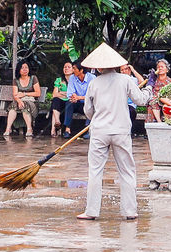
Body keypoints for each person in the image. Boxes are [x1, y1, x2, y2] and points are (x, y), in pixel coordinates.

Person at [76, 43, 153, 221]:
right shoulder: (125, 80)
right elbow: (141, 100)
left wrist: (98, 115)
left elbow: (88, 111)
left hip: (99, 130)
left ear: (99, 66)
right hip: (120, 131)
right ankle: (130, 211)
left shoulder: (94, 83)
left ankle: (91, 211)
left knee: (95, 171)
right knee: (127, 170)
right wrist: (148, 88)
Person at [5, 60, 40, 137]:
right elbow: (15, 94)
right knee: (13, 107)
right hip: (19, 101)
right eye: (22, 68)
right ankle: (8, 128)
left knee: (25, 106)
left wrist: (24, 94)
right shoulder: (16, 80)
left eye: (26, 68)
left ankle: (29, 129)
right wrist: (19, 101)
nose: (25, 70)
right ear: (18, 70)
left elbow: (38, 93)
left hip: (32, 102)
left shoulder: (33, 78)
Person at [63, 61, 95, 138]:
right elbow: (70, 93)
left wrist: (79, 97)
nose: (73, 70)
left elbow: (93, 95)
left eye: (74, 68)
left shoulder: (92, 78)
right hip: (77, 103)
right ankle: (67, 129)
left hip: (87, 103)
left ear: (81, 70)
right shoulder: (72, 77)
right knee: (69, 103)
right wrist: (74, 97)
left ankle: (88, 129)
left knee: (91, 103)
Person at [120, 63, 146, 135]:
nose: (124, 71)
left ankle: (128, 132)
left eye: (126, 69)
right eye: (122, 70)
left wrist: (133, 70)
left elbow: (142, 81)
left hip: (131, 105)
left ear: (129, 70)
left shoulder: (133, 79)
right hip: (120, 104)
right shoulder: (118, 80)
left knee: (130, 111)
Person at [49, 61, 73, 137]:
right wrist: (65, 93)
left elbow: (72, 94)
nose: (66, 68)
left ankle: (54, 129)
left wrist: (62, 93)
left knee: (56, 105)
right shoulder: (59, 80)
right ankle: (57, 122)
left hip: (70, 103)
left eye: (69, 67)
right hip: (60, 101)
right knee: (55, 100)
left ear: (73, 69)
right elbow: (54, 94)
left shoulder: (75, 80)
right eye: (65, 67)